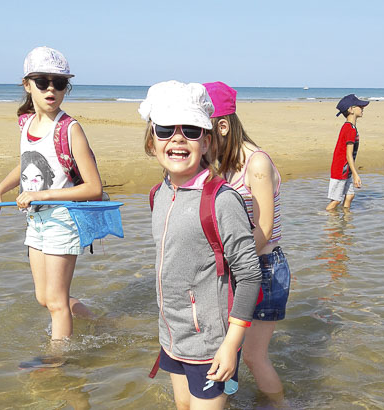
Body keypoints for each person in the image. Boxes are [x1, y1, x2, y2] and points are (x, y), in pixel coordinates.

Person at [139, 80, 262, 409]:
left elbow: (250, 276)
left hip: (209, 342)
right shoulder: (159, 194)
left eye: (191, 130)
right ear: (152, 141)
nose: (178, 138)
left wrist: (230, 344)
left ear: (207, 141)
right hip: (172, 336)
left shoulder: (221, 200)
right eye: (165, 129)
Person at [0, 46, 102, 352]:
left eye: (59, 83)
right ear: (27, 84)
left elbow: (93, 188)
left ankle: (56, 361)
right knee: (44, 297)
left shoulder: (70, 129)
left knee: (57, 302)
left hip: (64, 219)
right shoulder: (26, 123)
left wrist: (41, 194)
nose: (51, 88)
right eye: (42, 81)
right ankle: (97, 320)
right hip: (36, 219)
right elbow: (26, 163)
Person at [204, 81, 291, 402]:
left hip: (264, 269)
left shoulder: (256, 163)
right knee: (229, 351)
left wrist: (225, 264)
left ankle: (282, 405)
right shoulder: (222, 166)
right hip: (239, 268)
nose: (197, 140)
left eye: (203, 130)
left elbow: (265, 228)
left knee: (254, 356)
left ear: (222, 126)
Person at [326, 94, 370, 211]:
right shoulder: (349, 129)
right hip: (340, 169)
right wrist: (356, 175)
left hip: (346, 169)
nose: (362, 108)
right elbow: (348, 154)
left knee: (350, 195)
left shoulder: (351, 127)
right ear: (351, 110)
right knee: (336, 200)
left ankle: (345, 222)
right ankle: (326, 220)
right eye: (359, 106)